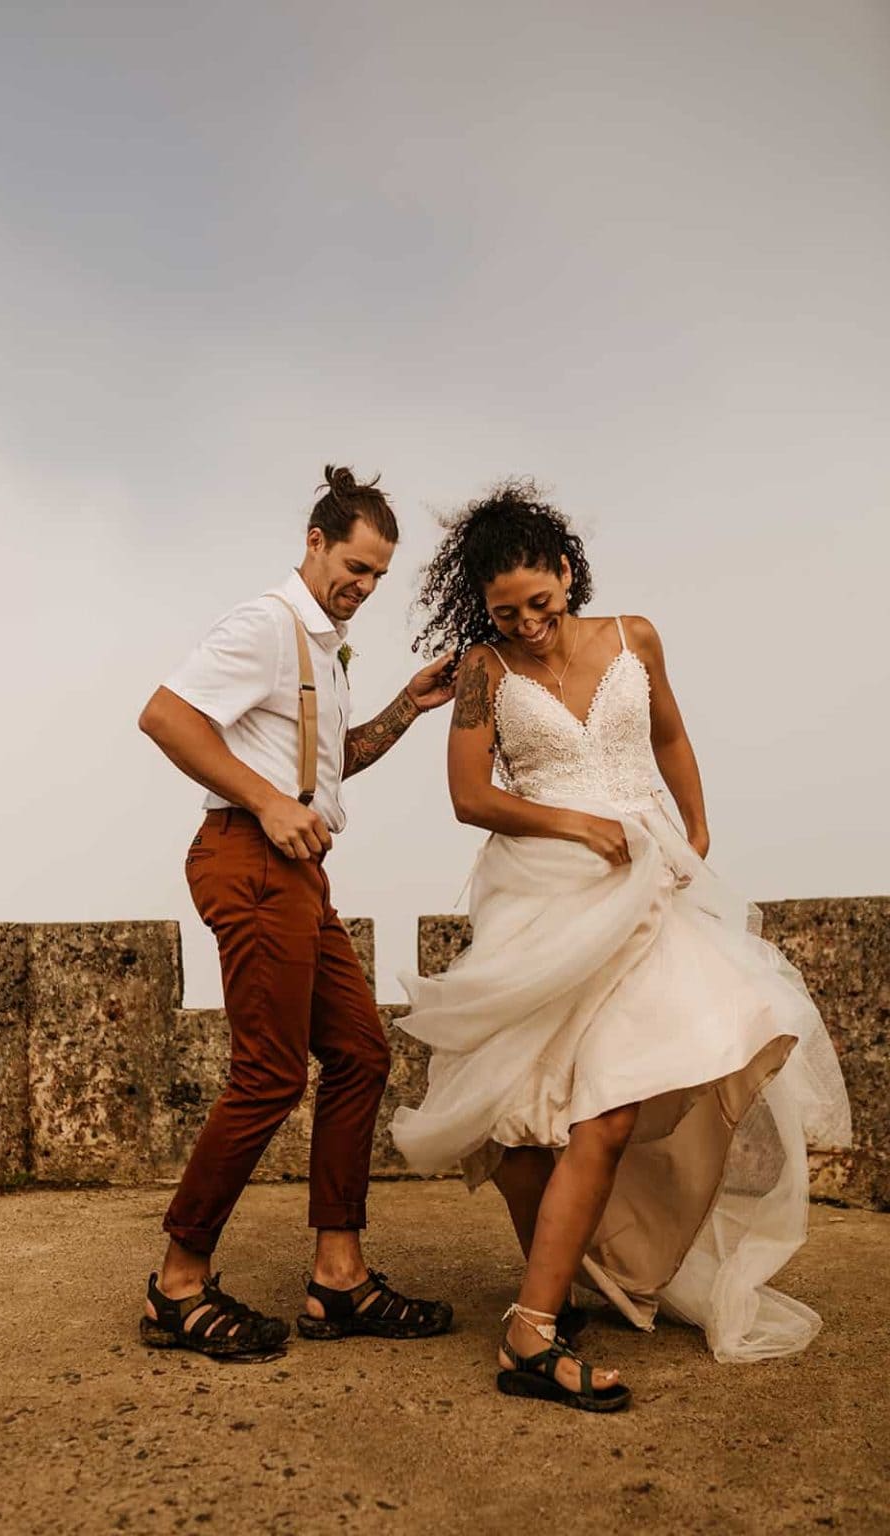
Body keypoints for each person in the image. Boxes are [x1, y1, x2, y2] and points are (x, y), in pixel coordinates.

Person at [392, 480, 851, 1411]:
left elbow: (672, 735)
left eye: (541, 602)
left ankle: (537, 1320)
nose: (526, 624)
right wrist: (572, 824)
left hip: (649, 891)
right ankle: (551, 1302)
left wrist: (698, 826)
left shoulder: (635, 636)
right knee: (521, 1119)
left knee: (605, 1107)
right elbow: (470, 797)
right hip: (543, 895)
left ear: (568, 572)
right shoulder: (482, 671)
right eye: (503, 611)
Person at [138, 465, 456, 1360]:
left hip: (297, 872)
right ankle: (178, 1284)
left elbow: (326, 763)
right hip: (247, 855)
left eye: (377, 577)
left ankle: (340, 1279)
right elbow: (166, 717)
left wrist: (409, 706)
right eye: (353, 566)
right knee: (271, 1074)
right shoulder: (267, 626)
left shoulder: (322, 647)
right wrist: (271, 804)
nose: (362, 586)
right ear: (314, 543)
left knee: (359, 1051)